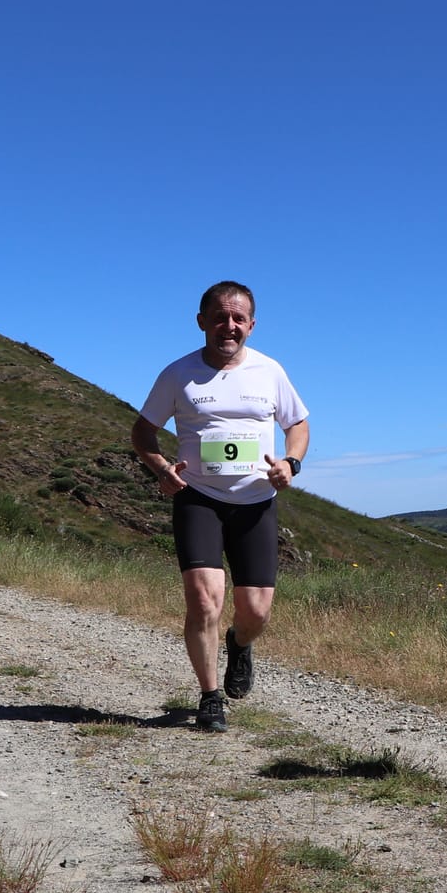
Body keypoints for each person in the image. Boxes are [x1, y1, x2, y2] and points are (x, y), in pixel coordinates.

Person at [131, 281, 310, 733]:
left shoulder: (270, 371)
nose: (228, 326)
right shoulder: (178, 374)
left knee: (256, 612)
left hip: (256, 503)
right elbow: (143, 431)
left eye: (238, 318)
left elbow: (299, 424)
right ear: (201, 322)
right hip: (198, 498)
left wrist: (291, 462)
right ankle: (210, 696)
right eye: (219, 317)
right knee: (204, 600)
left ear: (251, 324)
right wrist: (161, 469)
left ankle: (239, 643)